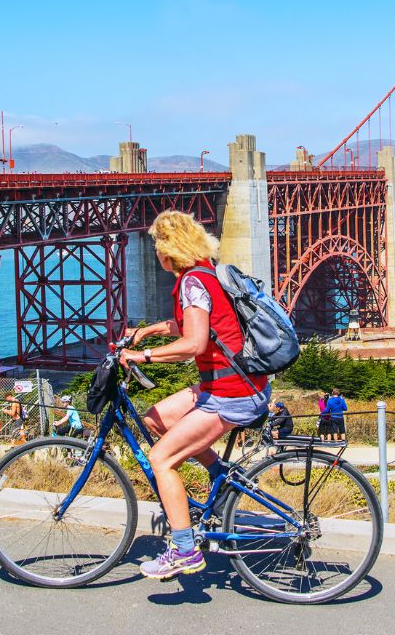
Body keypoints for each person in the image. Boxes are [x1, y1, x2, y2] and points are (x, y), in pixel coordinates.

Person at [117, 210, 271, 581]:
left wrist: (144, 356)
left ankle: (184, 550)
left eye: (158, 244)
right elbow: (195, 323)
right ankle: (221, 476)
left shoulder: (192, 283)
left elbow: (194, 342)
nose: (155, 251)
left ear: (171, 248)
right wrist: (149, 331)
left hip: (232, 392)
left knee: (161, 459)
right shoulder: (205, 271)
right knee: (155, 419)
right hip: (230, 383)